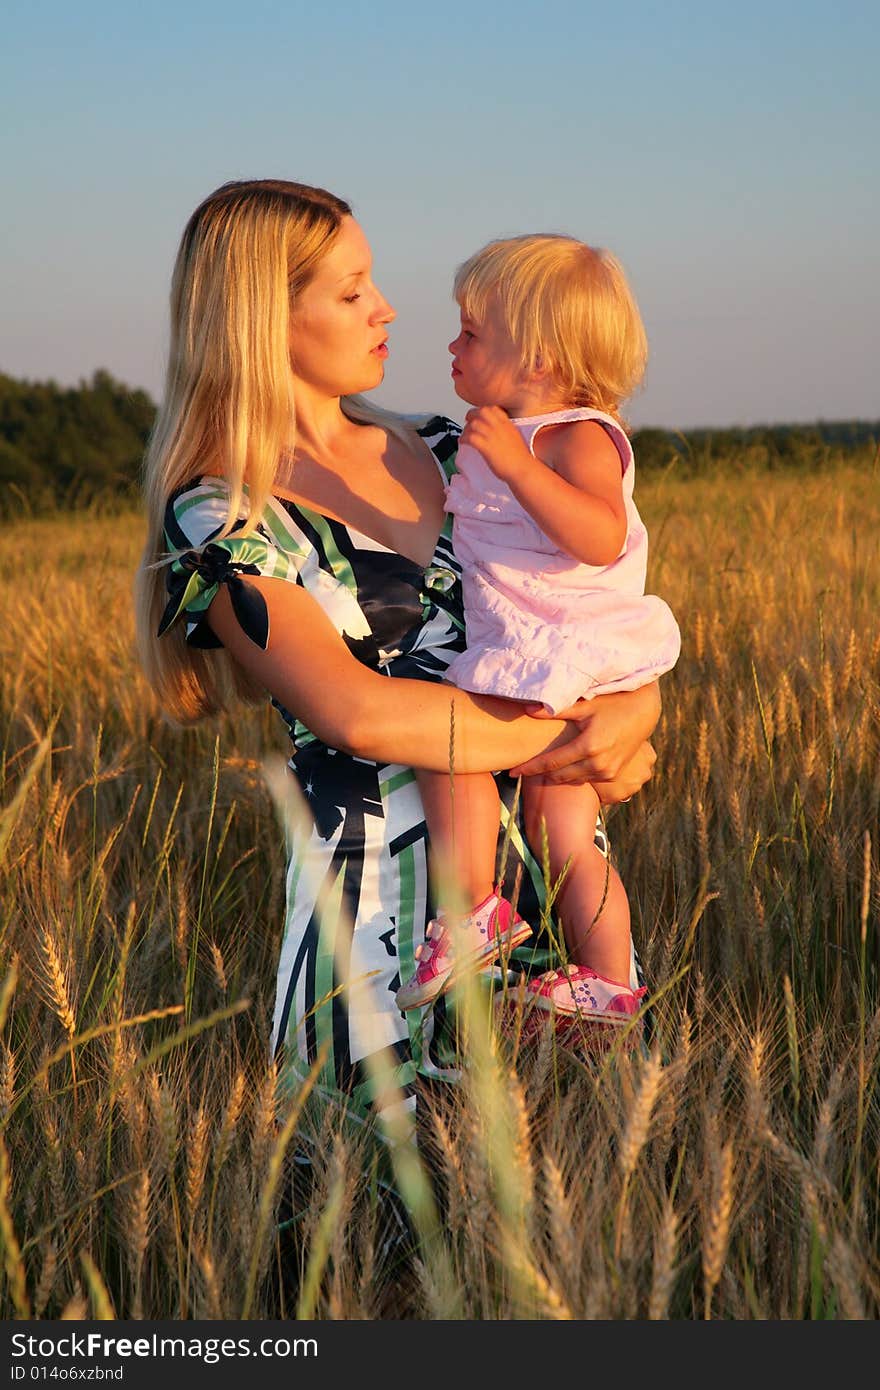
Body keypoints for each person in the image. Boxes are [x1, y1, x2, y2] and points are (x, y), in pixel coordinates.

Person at [135, 180, 661, 1137]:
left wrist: (639, 707)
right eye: (350, 291)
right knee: (386, 1248)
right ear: (261, 317)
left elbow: (588, 609)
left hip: (557, 913)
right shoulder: (220, 516)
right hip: (383, 939)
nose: (386, 308)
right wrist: (574, 728)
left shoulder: (467, 449)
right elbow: (361, 715)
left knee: (571, 1245)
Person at [397, 235, 679, 1025]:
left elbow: (599, 535)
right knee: (562, 838)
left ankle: (475, 913)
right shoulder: (497, 434)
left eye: (472, 332)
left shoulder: (575, 435)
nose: (452, 345)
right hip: (535, 651)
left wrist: (518, 470)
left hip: (558, 652)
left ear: (542, 362)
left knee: (449, 758)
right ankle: (607, 980)